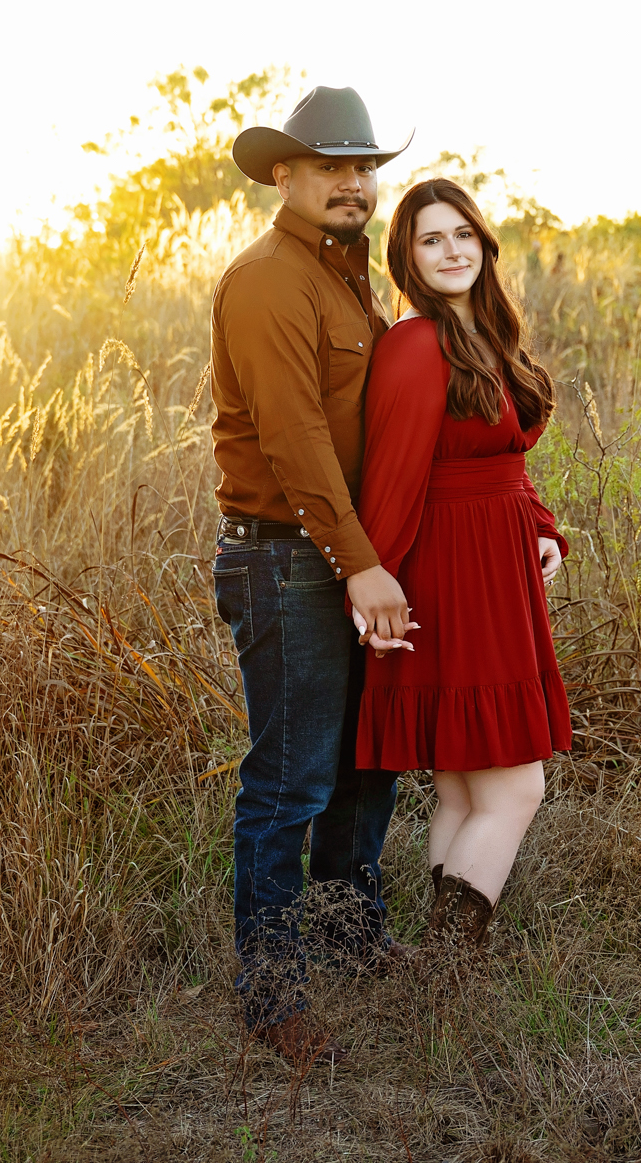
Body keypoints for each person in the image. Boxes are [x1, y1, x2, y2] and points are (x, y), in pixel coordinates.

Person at [210, 85, 417, 1063]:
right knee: (287, 787)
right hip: (290, 563)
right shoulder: (265, 282)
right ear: (283, 174)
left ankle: (348, 943)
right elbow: (294, 443)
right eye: (331, 166)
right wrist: (363, 566)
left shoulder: (347, 277)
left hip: (346, 561)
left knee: (362, 768)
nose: (352, 182)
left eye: (363, 165)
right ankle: (272, 1002)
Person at [353, 177, 571, 951]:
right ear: (406, 258)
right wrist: (371, 597)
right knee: (515, 788)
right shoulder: (415, 344)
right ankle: (448, 975)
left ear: (483, 244)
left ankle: (433, 984)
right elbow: (394, 478)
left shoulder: (479, 336)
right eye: (431, 239)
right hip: (455, 582)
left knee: (460, 787)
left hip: (495, 570)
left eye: (463, 235)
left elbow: (503, 458)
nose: (452, 251)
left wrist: (540, 527)